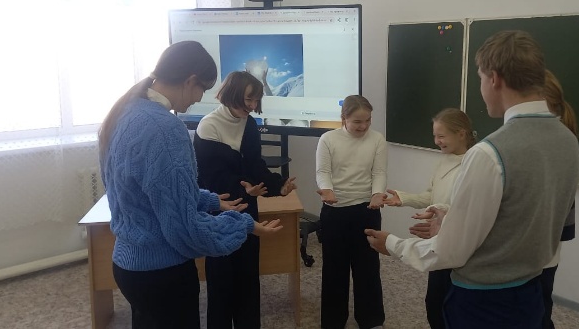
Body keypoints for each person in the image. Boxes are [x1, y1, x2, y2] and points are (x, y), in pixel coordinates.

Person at [365, 30, 579, 329]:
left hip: (484, 304)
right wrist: (452, 214)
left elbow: (451, 250)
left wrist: (394, 244)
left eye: (479, 78)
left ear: (494, 79)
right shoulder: (568, 142)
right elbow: (517, 219)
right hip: (530, 295)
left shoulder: (489, 154)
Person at [98, 41, 282, 329]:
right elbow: (184, 229)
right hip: (162, 273)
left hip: (128, 265)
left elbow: (154, 191)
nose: (198, 99)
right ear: (190, 80)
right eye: (202, 90)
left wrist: (211, 201)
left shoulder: (125, 112)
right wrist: (245, 225)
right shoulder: (165, 128)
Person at [193, 70, 297, 329]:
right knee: (221, 282)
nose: (252, 106)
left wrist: (277, 185)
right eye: (248, 99)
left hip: (247, 208)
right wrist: (244, 191)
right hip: (219, 211)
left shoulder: (248, 123)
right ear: (231, 94)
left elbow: (255, 167)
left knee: (248, 278)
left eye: (256, 100)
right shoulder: (208, 126)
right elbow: (211, 180)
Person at [382, 108, 475, 329]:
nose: (436, 141)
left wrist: (441, 216)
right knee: (434, 303)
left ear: (461, 134)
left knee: (451, 306)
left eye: (441, 136)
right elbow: (431, 196)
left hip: (458, 246)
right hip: (438, 240)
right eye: (435, 136)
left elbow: (469, 209)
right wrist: (404, 198)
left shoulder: (474, 164)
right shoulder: (444, 160)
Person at [315, 94, 387, 329]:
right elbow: (323, 171)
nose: (363, 126)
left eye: (367, 120)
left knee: (368, 267)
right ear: (343, 118)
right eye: (357, 121)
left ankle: (371, 320)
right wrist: (326, 190)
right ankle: (333, 321)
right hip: (335, 211)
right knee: (334, 268)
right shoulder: (328, 139)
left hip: (366, 210)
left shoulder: (377, 139)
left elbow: (379, 172)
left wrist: (377, 193)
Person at [541, 69, 579, 329]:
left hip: (535, 252)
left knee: (537, 311)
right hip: (547, 250)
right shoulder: (565, 139)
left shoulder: (550, 142)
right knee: (541, 306)